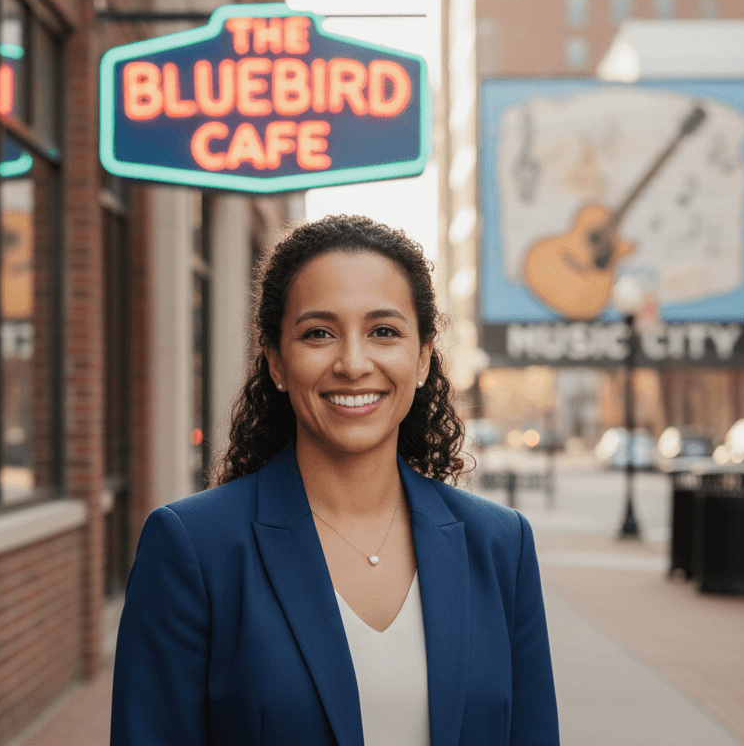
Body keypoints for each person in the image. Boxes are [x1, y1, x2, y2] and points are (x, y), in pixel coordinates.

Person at [111, 215, 559, 746]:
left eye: (383, 332)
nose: (352, 363)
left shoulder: (501, 545)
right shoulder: (192, 547)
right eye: (319, 333)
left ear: (422, 358)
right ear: (277, 362)